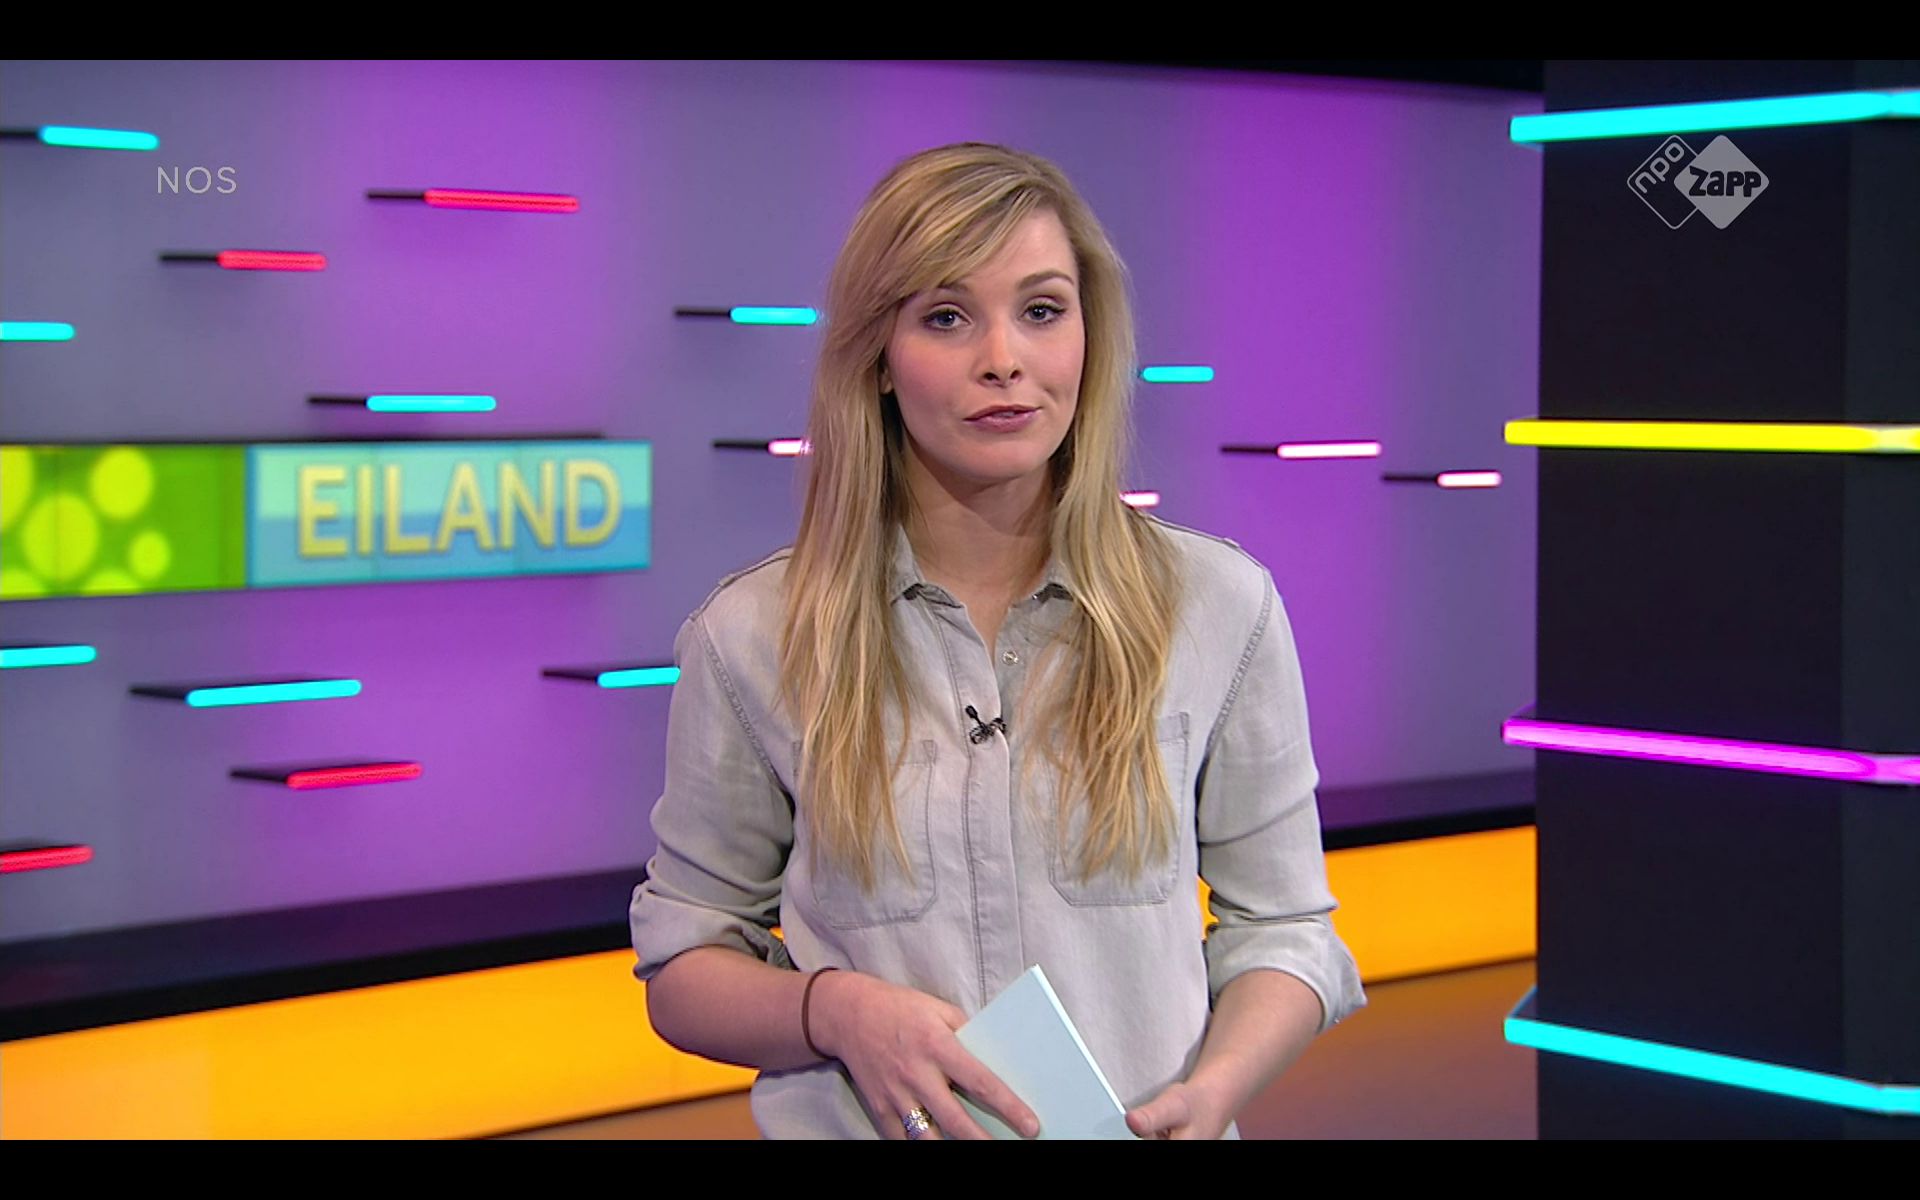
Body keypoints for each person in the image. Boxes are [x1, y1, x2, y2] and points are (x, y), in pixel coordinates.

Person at [629, 142, 1365, 1140]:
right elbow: (682, 966)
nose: (1003, 359)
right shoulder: (753, 636)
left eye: (1042, 310)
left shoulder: (1219, 607)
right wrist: (834, 1012)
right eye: (946, 317)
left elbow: (1288, 929)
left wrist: (1216, 1090)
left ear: (1089, 337)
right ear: (878, 359)